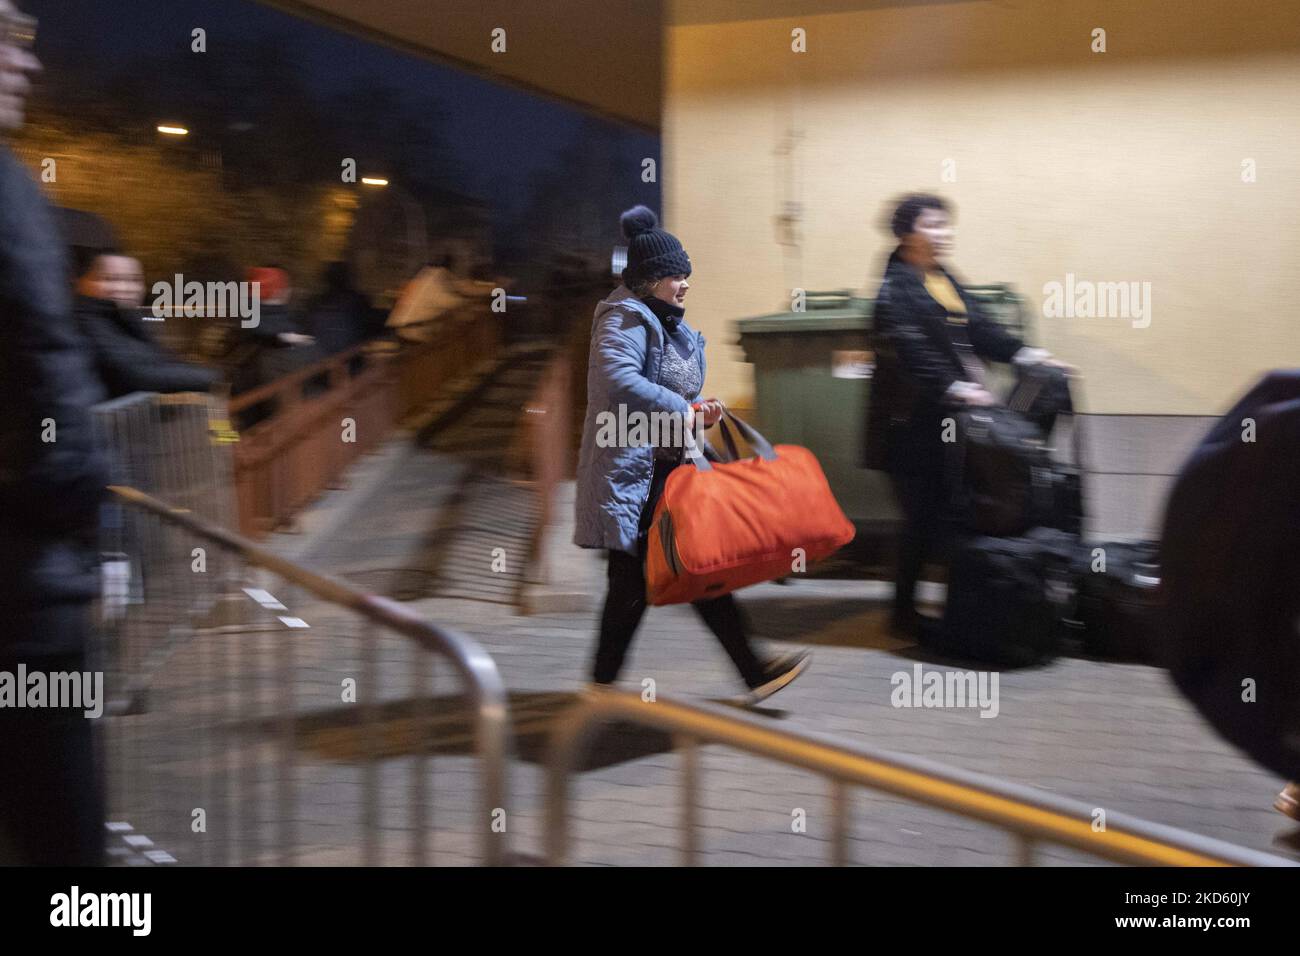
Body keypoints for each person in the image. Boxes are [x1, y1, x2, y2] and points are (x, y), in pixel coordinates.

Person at [574, 206, 810, 704]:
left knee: (690, 569)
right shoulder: (624, 318)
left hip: (665, 466)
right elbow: (616, 382)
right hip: (634, 473)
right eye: (675, 276)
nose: (685, 284)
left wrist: (697, 410)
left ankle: (749, 670)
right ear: (649, 279)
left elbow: (660, 385)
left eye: (686, 275)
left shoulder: (659, 319)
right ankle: (604, 685)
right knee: (641, 582)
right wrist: (685, 407)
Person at [0, 0, 109, 865]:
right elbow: (45, 360)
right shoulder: (7, 194)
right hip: (26, 593)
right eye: (6, 35)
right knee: (67, 847)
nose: (27, 62)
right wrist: (85, 514)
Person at [863, 194, 1070, 637]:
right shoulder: (893, 289)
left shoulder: (942, 278)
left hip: (946, 424)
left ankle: (963, 607)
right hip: (908, 428)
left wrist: (1027, 354)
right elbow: (907, 347)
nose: (944, 234)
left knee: (949, 513)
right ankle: (901, 614)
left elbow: (980, 327)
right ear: (906, 235)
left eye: (946, 225)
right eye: (933, 226)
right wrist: (952, 386)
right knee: (920, 518)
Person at [72, 248, 217, 397]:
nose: (125, 288)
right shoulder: (85, 321)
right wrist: (214, 379)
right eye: (110, 279)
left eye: (134, 280)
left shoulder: (125, 318)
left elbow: (161, 359)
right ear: (82, 283)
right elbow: (135, 375)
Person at [304, 260, 377, 357]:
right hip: (351, 361)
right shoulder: (359, 301)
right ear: (350, 278)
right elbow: (369, 331)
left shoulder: (315, 302)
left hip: (319, 360)